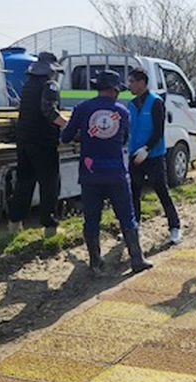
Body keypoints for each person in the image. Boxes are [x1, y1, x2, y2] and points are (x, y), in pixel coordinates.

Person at [60, 70, 152, 275]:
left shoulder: (82, 108)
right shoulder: (123, 112)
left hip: (90, 173)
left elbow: (65, 137)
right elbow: (124, 139)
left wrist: (83, 135)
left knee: (92, 219)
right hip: (116, 172)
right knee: (126, 216)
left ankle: (95, 262)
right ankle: (137, 259)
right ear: (115, 90)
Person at [8, 52, 68, 237]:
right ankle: (49, 225)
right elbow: (48, 110)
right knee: (49, 183)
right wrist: (67, 125)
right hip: (44, 142)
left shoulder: (28, 85)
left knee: (24, 182)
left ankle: (15, 222)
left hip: (24, 141)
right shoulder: (50, 85)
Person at [126, 67, 182, 245]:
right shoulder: (131, 104)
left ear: (142, 82)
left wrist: (147, 149)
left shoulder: (155, 102)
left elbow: (158, 131)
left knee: (161, 191)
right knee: (134, 192)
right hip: (135, 155)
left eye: (132, 81)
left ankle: (174, 226)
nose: (129, 85)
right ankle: (134, 227)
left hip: (153, 155)